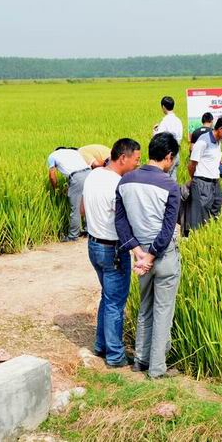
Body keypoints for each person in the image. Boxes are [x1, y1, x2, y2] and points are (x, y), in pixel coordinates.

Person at [115, 132, 181, 378]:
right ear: (169, 156)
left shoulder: (125, 181)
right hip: (162, 255)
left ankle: (140, 360)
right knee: (163, 311)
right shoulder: (170, 185)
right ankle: (157, 369)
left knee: (145, 306)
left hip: (139, 254)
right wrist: (151, 256)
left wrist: (138, 252)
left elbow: (120, 221)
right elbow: (167, 228)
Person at [82, 138, 141, 368]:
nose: (138, 164)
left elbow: (82, 209)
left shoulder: (93, 175)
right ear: (123, 158)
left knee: (107, 297)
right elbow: (124, 221)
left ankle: (101, 345)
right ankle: (115, 356)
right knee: (115, 302)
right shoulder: (118, 185)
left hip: (93, 245)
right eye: (136, 159)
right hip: (113, 250)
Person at [187, 115, 222, 230]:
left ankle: (213, 233)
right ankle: (198, 236)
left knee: (216, 209)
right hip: (202, 182)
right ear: (221, 129)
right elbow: (192, 165)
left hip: (215, 182)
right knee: (201, 214)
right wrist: (195, 180)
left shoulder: (218, 141)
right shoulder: (203, 142)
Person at [48, 147, 90, 242]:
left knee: (76, 208)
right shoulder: (73, 152)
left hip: (77, 177)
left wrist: (55, 188)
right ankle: (88, 231)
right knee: (87, 204)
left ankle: (73, 236)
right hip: (90, 173)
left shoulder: (52, 156)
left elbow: (52, 175)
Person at [152, 96, 184, 179]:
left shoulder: (165, 121)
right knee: (173, 180)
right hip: (176, 154)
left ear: (163, 107)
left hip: (167, 156)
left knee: (164, 180)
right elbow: (180, 137)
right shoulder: (178, 120)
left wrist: (154, 131)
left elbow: (158, 139)